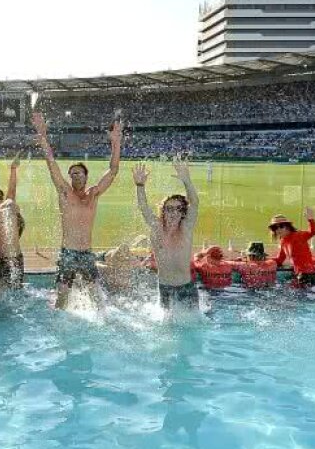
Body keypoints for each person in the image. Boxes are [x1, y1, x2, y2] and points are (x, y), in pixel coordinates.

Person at [32, 111, 123, 309]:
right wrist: (42, 135)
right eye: (72, 174)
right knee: (62, 299)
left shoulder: (93, 194)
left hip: (86, 253)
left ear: (86, 175)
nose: (76, 177)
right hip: (69, 254)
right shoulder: (65, 193)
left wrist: (116, 143)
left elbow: (113, 171)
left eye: (79, 174)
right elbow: (51, 163)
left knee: (97, 301)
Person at [134, 159, 200, 311]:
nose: (173, 213)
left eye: (178, 209)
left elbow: (195, 203)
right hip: (165, 289)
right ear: (163, 211)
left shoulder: (186, 228)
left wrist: (187, 180)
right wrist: (140, 186)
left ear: (183, 213)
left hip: (186, 289)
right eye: (169, 209)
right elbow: (143, 208)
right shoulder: (157, 228)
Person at [0, 154, 26, 288]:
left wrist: (13, 169)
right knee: (0, 292)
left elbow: (11, 191)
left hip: (13, 258)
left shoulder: (7, 211)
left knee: (15, 293)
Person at [270, 208, 315, 286]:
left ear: (288, 226)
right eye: (274, 228)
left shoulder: (299, 235)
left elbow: (313, 231)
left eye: (281, 226)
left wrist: (311, 219)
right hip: (300, 275)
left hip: (307, 274)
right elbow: (279, 260)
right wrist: (262, 259)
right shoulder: (283, 242)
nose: (278, 229)